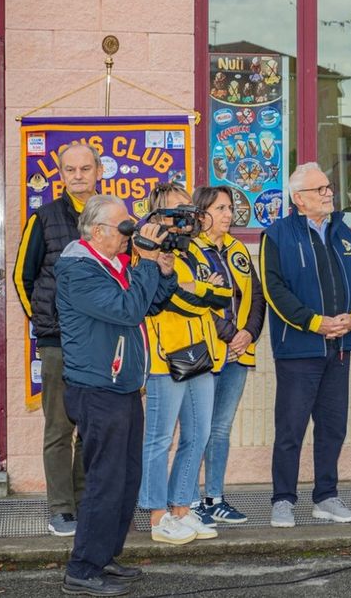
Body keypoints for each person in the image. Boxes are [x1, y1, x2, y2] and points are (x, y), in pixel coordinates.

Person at [55, 195, 177, 596]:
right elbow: (127, 310)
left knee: (126, 479)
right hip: (97, 389)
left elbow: (150, 304)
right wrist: (145, 262)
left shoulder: (114, 265)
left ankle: (104, 555)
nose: (131, 232)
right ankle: (82, 569)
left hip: (122, 387)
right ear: (97, 231)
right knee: (104, 481)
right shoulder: (78, 271)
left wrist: (163, 270)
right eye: (124, 226)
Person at [260, 162, 351, 529]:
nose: (329, 193)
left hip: (340, 347)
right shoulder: (277, 235)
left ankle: (326, 496)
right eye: (320, 189)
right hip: (298, 349)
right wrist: (313, 322)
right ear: (299, 199)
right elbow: (273, 290)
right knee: (290, 429)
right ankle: (282, 500)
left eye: (328, 187)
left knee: (333, 427)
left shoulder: (343, 232)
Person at [13, 143, 103, 537]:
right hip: (59, 344)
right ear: (61, 174)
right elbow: (22, 277)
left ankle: (85, 504)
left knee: (92, 427)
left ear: (98, 171)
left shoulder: (112, 217)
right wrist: (45, 323)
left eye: (85, 168)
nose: (78, 176)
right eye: (71, 169)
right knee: (59, 429)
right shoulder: (44, 218)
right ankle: (61, 510)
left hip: (100, 342)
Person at [139, 184, 231, 545]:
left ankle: (181, 509)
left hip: (201, 355)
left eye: (188, 206)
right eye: (177, 208)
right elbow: (175, 300)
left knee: (198, 436)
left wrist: (199, 288)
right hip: (166, 359)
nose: (187, 214)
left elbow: (224, 293)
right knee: (159, 439)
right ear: (159, 213)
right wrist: (200, 289)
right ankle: (156, 515)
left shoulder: (195, 248)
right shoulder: (149, 248)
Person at [190, 186, 266, 524]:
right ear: (201, 213)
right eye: (220, 208)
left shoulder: (237, 249)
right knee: (197, 429)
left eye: (229, 208)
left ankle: (214, 498)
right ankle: (189, 500)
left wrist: (249, 333)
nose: (228, 214)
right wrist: (230, 334)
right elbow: (196, 302)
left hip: (238, 355)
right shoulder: (191, 250)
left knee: (220, 428)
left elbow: (257, 295)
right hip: (206, 354)